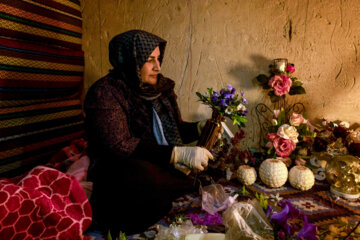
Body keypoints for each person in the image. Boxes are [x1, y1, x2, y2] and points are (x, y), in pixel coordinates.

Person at [84, 30, 214, 236]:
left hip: (155, 160)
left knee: (208, 167)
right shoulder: (106, 92)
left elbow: (174, 129)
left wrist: (199, 128)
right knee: (144, 178)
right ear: (130, 60)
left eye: (158, 59)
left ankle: (176, 187)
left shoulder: (161, 89)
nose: (158, 67)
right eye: (149, 60)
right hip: (119, 166)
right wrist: (175, 155)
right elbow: (119, 145)